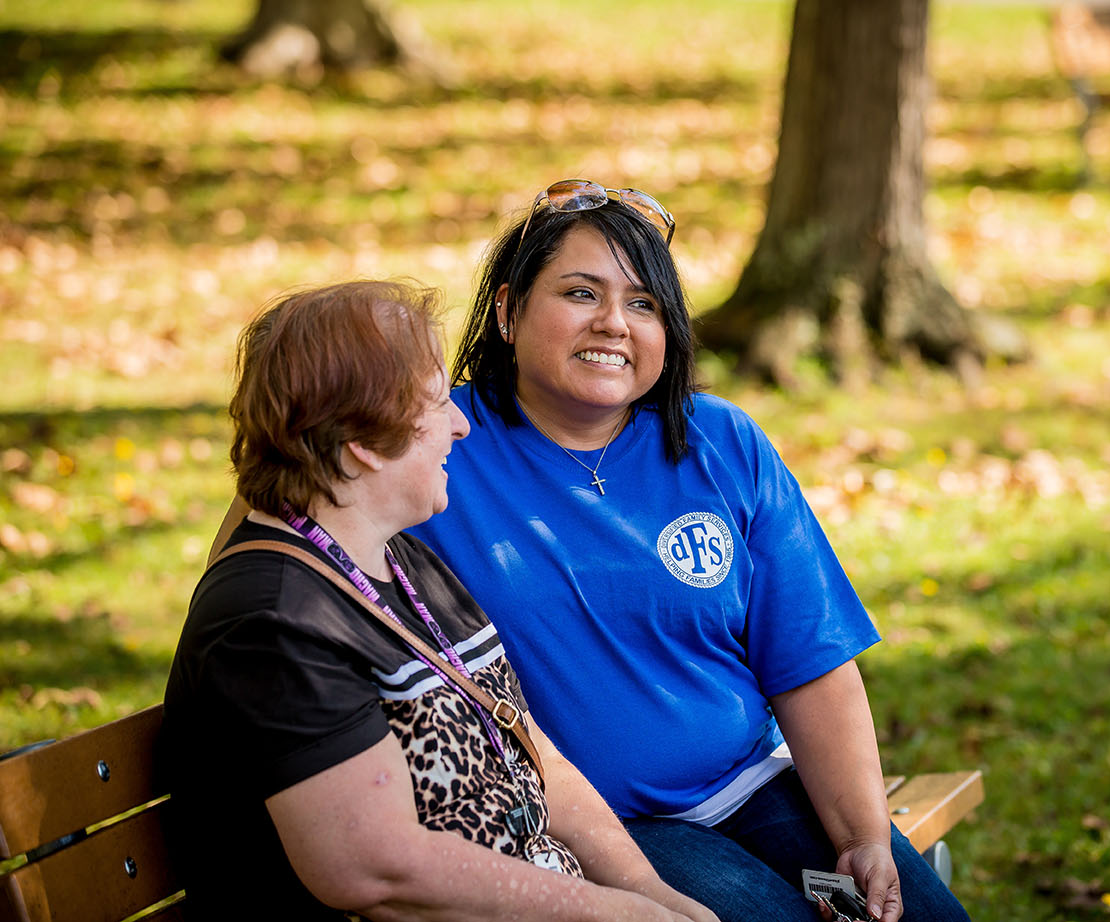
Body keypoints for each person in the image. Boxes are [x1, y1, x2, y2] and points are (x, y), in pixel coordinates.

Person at [407, 180, 972, 922]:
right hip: (598, 827)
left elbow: (810, 665)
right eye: (582, 293)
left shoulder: (720, 441)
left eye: (643, 304)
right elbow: (289, 490)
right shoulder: (439, 440)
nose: (614, 323)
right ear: (509, 311)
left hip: (751, 782)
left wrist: (864, 834)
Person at [163, 280, 717, 922]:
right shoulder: (273, 620)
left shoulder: (398, 562)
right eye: (434, 401)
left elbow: (531, 752)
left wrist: (655, 898)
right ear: (362, 441)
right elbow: (378, 871)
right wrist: (617, 916)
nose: (460, 423)